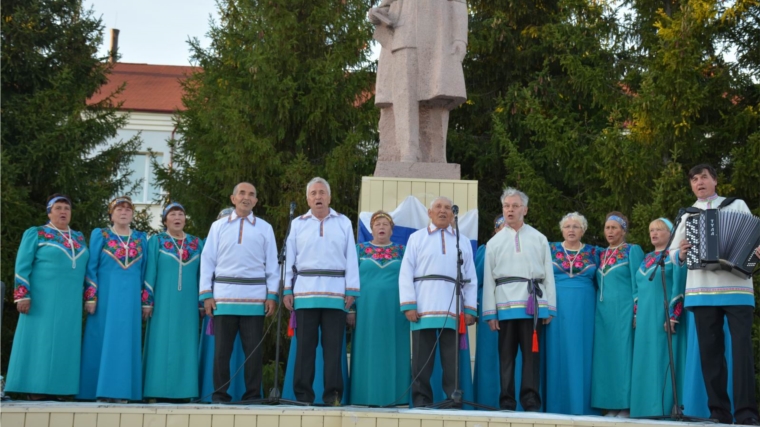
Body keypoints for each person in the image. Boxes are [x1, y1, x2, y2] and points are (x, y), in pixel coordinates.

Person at [669, 164, 759, 425]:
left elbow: (754, 236)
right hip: (701, 291)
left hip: (738, 288)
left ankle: (746, 414)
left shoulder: (736, 205)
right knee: (710, 355)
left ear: (715, 181)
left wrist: (756, 250)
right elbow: (674, 254)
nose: (699, 182)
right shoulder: (688, 215)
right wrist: (682, 253)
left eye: (704, 177)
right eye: (694, 179)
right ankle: (718, 412)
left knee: (742, 353)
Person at [283, 177, 360, 406]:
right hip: (305, 294)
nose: (318, 197)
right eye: (314, 193)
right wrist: (287, 288)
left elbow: (351, 258)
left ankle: (333, 396)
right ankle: (303, 397)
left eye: (322, 193)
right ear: (307, 198)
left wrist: (351, 290)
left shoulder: (343, 222)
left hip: (335, 293)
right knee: (304, 349)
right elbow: (289, 258)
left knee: (333, 349)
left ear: (329, 197)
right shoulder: (297, 223)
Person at [200, 182, 279, 403]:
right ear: (233, 198)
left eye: (251, 194)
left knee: (253, 352)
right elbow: (208, 261)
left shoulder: (265, 228)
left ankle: (252, 395)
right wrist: (206, 294)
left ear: (255, 201)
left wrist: (272, 294)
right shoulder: (218, 226)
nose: (246, 197)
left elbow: (272, 264)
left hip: (254, 299)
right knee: (221, 353)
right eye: (242, 193)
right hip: (223, 298)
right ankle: (220, 395)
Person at [5, 194, 89, 400]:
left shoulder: (78, 238)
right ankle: (35, 387)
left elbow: (87, 270)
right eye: (58, 208)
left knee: (65, 340)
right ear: (49, 212)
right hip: (42, 299)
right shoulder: (37, 233)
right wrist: (22, 295)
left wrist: (90, 296)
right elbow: (22, 265)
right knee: (40, 340)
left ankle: (61, 389)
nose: (63, 212)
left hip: (70, 302)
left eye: (67, 209)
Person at [399, 196, 477, 408]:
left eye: (447, 208)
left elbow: (470, 276)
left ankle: (453, 398)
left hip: (453, 307)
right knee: (422, 359)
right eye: (438, 207)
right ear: (429, 213)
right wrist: (409, 304)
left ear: (453, 214)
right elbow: (405, 272)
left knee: (451, 360)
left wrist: (469, 308)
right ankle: (422, 400)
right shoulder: (416, 238)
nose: (443, 211)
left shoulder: (462, 241)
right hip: (423, 306)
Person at [482, 188, 556, 412]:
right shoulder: (494, 243)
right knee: (506, 357)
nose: (510, 210)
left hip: (531, 305)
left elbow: (548, 275)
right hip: (504, 306)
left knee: (531, 357)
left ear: (525, 209)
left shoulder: (539, 238)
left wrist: (549, 308)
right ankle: (506, 402)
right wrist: (490, 312)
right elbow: (488, 279)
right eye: (506, 206)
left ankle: (531, 401)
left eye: (515, 206)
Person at [78, 196, 148, 402]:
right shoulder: (101, 234)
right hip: (106, 297)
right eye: (119, 209)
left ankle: (124, 391)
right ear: (111, 213)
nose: (124, 212)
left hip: (131, 300)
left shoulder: (141, 238)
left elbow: (144, 272)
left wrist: (146, 301)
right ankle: (97, 390)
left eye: (128, 209)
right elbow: (91, 267)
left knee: (127, 340)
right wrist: (90, 297)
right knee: (102, 338)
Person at [142, 203, 204, 401]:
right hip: (162, 302)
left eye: (181, 214)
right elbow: (150, 271)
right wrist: (147, 301)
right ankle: (156, 390)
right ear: (165, 220)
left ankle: (185, 392)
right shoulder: (157, 241)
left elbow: (202, 275)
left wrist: (202, 302)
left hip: (188, 304)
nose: (177, 217)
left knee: (186, 343)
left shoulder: (196, 243)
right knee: (160, 342)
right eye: (172, 214)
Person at [349, 211, 409, 406]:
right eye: (377, 224)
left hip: (395, 312)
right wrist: (350, 309)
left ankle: (396, 396)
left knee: (395, 349)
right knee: (367, 349)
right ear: (371, 229)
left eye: (385, 224)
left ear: (392, 230)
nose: (381, 227)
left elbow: (409, 279)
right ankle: (364, 396)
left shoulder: (403, 251)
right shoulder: (358, 250)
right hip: (366, 310)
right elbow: (350, 281)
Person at [630, 218, 687, 417]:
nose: (654, 233)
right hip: (645, 318)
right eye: (651, 230)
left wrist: (673, 315)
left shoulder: (674, 257)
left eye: (659, 230)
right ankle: (645, 408)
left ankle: (665, 406)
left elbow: (678, 286)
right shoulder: (646, 258)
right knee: (645, 359)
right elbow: (637, 288)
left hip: (663, 316)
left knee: (663, 358)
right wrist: (636, 313)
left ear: (670, 233)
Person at [544, 212, 599, 415]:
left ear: (583, 230)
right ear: (561, 230)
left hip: (585, 308)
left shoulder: (595, 252)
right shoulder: (549, 249)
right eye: (567, 226)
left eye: (576, 226)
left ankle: (582, 405)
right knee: (557, 353)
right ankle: (556, 406)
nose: (571, 230)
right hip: (556, 309)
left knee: (582, 353)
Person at [590, 211, 644, 417]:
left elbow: (639, 284)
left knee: (624, 357)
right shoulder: (601, 254)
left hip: (623, 311)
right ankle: (610, 405)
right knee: (606, 358)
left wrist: (637, 313)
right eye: (607, 228)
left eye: (614, 228)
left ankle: (626, 406)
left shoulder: (632, 250)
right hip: (603, 313)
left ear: (623, 230)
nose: (610, 232)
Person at [197, 207, 247, 402]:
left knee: (242, 351)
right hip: (219, 301)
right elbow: (205, 269)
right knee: (219, 351)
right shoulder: (212, 241)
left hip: (244, 302)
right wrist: (206, 296)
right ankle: (214, 393)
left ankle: (243, 392)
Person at [473, 215, 506, 409]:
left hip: (515, 308)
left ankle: (513, 402)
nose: (504, 231)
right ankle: (487, 401)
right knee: (489, 354)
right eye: (500, 228)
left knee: (513, 355)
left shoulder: (523, 248)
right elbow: (476, 281)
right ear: (495, 231)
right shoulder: (485, 250)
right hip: (490, 308)